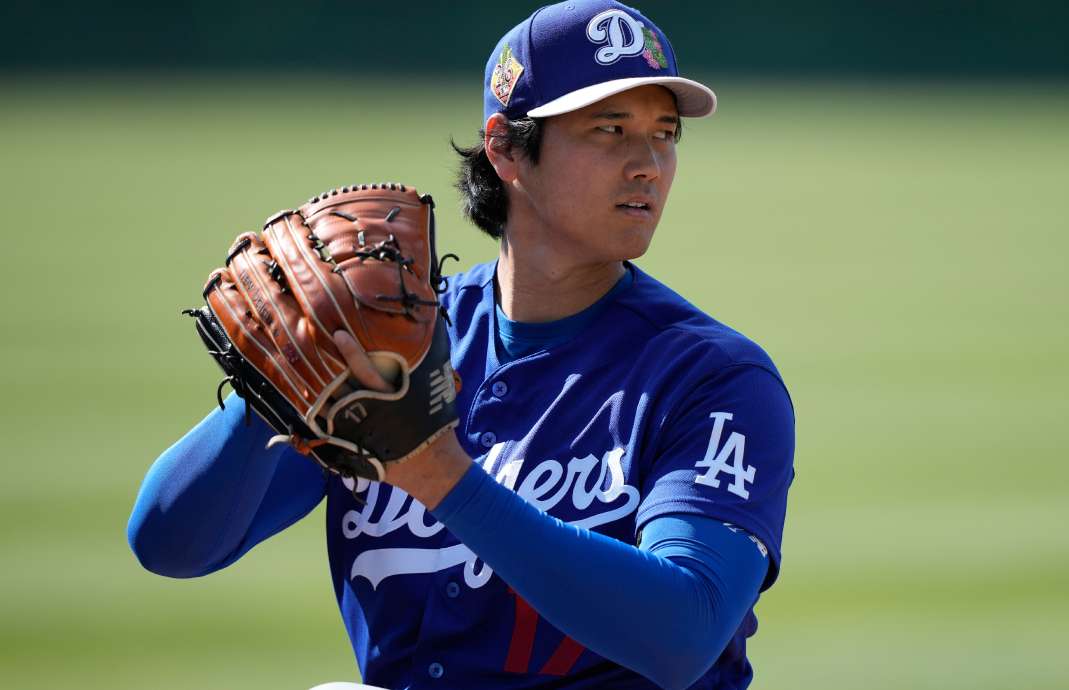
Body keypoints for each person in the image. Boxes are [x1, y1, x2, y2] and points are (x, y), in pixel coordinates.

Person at [127, 2, 795, 689]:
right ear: (506, 148)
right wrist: (271, 388)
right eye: (610, 130)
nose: (648, 165)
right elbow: (169, 546)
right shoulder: (388, 347)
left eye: (665, 133)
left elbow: (685, 630)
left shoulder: (713, 377)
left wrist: (441, 477)